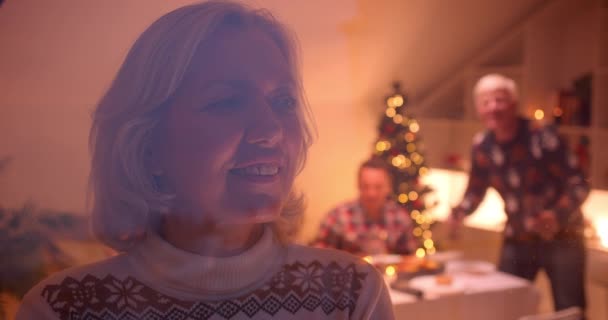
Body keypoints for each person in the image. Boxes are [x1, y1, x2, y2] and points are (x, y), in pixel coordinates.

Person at [16, 2, 395, 319]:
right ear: (148, 145)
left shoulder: (350, 295)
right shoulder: (63, 309)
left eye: (283, 101)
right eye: (227, 101)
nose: (271, 130)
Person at [449, 73, 589, 312]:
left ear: (514, 104)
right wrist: (459, 213)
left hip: (563, 237)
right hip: (518, 238)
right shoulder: (482, 145)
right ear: (478, 109)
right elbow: (476, 188)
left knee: (569, 310)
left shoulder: (543, 136)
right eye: (485, 102)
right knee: (506, 306)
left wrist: (555, 215)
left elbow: (579, 183)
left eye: (499, 100)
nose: (493, 107)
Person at [313, 158, 416, 256]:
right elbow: (320, 255)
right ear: (358, 185)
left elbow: (409, 258)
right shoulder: (338, 215)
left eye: (378, 187)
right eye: (365, 186)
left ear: (388, 187)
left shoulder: (400, 217)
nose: (371, 193)